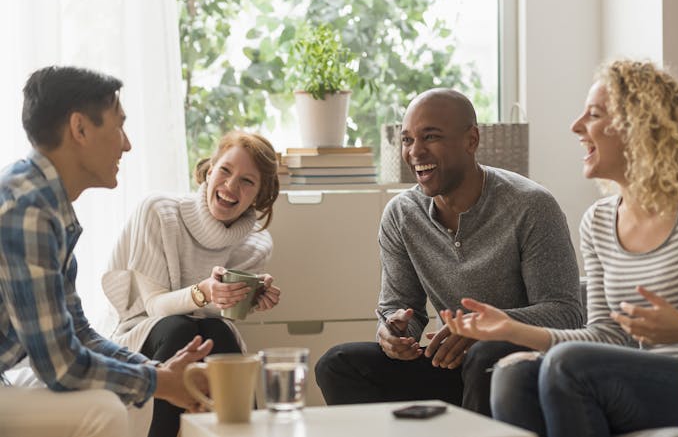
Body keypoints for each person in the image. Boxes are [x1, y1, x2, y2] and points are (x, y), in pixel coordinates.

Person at [441, 60, 678, 437]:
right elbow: (605, 335)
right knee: (513, 374)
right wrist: (512, 329)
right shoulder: (599, 222)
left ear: (640, 127)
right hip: (633, 377)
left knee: (567, 365)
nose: (576, 127)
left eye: (593, 114)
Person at [315, 88, 583, 416]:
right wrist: (394, 331)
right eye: (407, 139)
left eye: (431, 137)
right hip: (453, 365)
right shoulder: (402, 214)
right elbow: (399, 307)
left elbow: (567, 313)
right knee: (338, 364)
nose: (415, 151)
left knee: (487, 354)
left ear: (471, 140)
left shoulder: (531, 206)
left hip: (520, 370)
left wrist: (484, 328)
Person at [0, 66, 213, 437]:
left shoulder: (46, 203)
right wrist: (160, 382)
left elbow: (78, 332)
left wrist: (155, 373)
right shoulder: (27, 208)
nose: (127, 144)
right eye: (119, 126)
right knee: (104, 410)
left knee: (134, 397)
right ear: (80, 128)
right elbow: (61, 365)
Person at [102, 130, 282, 437]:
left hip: (203, 329)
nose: (230, 186)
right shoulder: (159, 211)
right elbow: (154, 306)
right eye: (225, 171)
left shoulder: (256, 244)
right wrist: (203, 291)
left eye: (247, 181)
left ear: (259, 195)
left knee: (219, 331)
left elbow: (221, 314)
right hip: (142, 327)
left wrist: (247, 297)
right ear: (210, 170)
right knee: (179, 328)